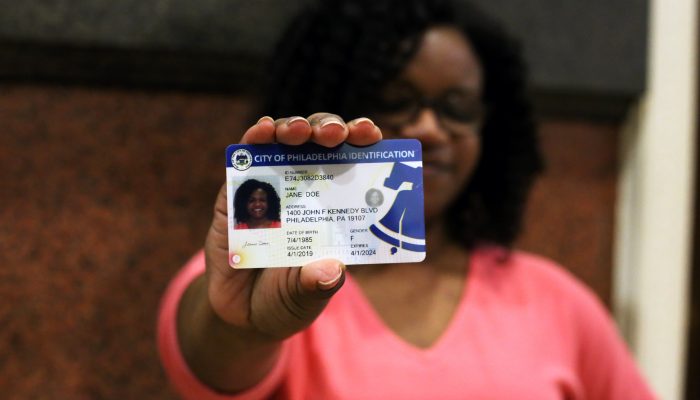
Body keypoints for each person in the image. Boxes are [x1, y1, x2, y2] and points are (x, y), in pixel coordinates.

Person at [157, 0, 656, 398]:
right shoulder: (255, 272)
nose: (428, 129)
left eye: (457, 109)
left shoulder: (556, 301)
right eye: (395, 101)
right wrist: (244, 330)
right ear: (334, 99)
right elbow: (215, 361)